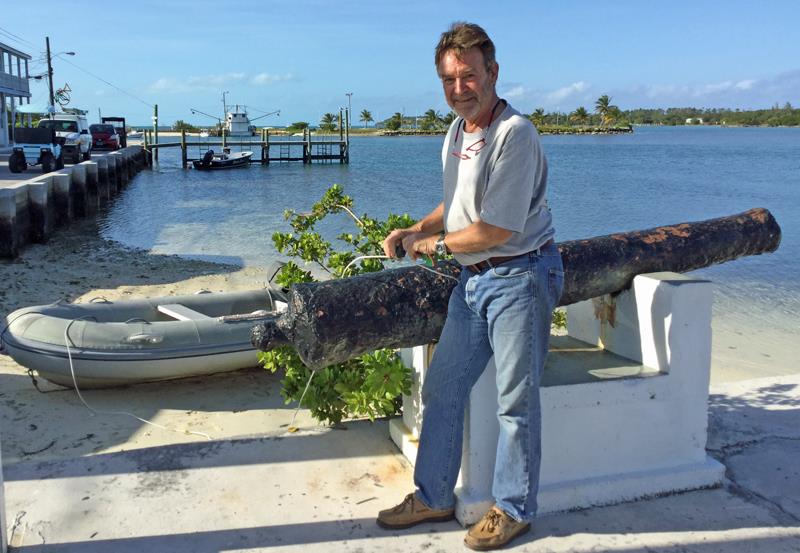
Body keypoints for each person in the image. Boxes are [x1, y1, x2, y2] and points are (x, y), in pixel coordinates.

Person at [377, 22, 563, 551]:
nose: (459, 87)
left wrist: (436, 246)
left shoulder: (515, 135)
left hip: (520, 275)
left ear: (493, 73)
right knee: (443, 386)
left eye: (469, 76)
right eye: (449, 79)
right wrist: (419, 228)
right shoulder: (457, 133)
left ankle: (514, 509)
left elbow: (496, 229)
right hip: (475, 280)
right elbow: (459, 207)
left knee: (515, 402)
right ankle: (433, 495)